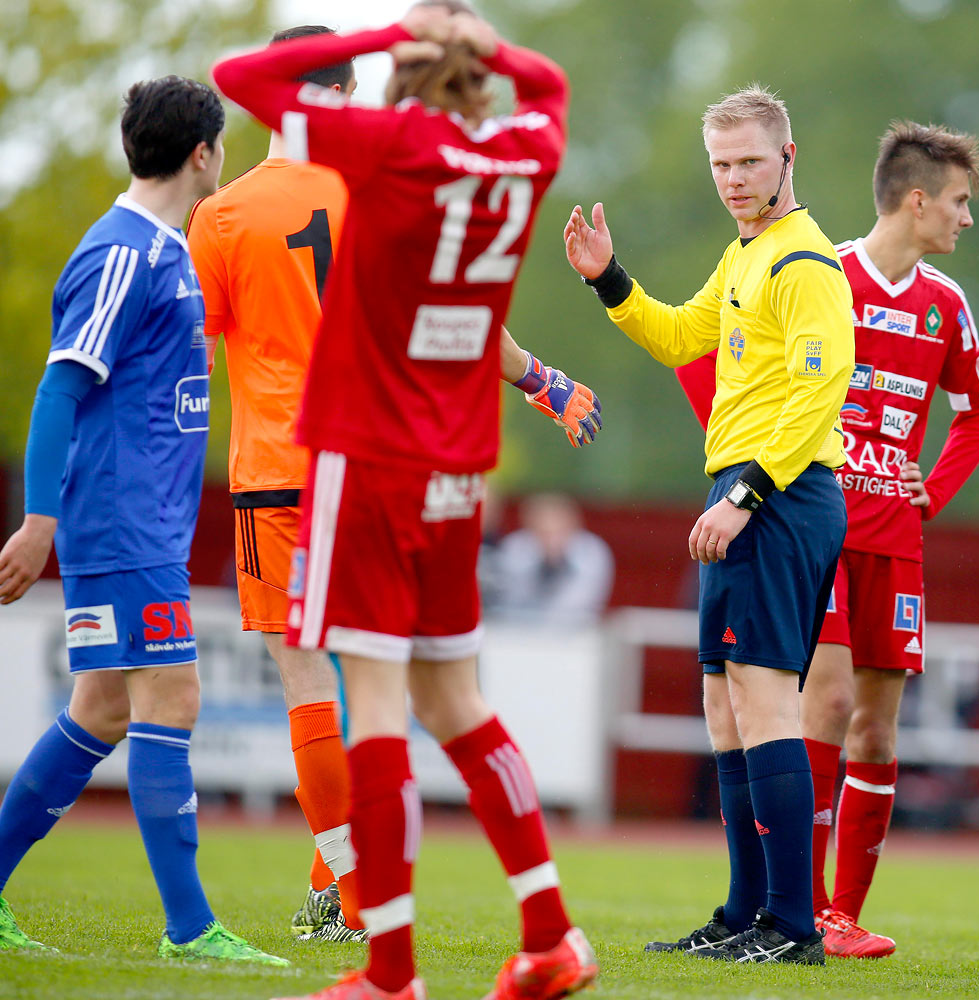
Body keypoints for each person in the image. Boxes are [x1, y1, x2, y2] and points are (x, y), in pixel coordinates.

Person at [212, 4, 601, 999]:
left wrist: (382, 39)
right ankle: (551, 933)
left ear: (405, 74)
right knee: (459, 701)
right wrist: (471, 47)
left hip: (366, 454)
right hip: (460, 465)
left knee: (375, 706)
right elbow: (549, 85)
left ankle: (387, 968)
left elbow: (244, 78)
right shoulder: (521, 153)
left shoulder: (378, 149)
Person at [673, 121, 979, 958]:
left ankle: (840, 913)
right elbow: (704, 359)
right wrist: (745, 462)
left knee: (877, 730)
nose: (968, 219)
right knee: (816, 703)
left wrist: (934, 489)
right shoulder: (821, 268)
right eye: (960, 202)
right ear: (918, 200)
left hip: (895, 534)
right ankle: (798, 906)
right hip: (811, 516)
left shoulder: (948, 306)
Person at [564, 84, 853, 964]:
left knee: (764, 701)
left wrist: (745, 494)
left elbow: (817, 395)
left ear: (787, 159)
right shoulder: (747, 253)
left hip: (779, 495)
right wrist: (608, 278)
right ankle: (744, 912)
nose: (733, 179)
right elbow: (680, 334)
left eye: (749, 163)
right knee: (724, 707)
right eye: (721, 164)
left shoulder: (804, 263)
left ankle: (793, 925)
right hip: (748, 490)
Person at [0, 76, 285, 966]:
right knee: (173, 698)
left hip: (140, 520)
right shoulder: (124, 251)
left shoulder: (169, 247)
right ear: (204, 153)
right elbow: (60, 387)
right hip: (119, 521)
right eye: (224, 145)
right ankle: (191, 928)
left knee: (101, 707)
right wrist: (38, 519)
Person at [188, 23, 367, 944]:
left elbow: (189, 358)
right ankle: (338, 890)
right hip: (375, 472)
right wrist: (543, 381)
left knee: (306, 683)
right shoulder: (381, 193)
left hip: (277, 477)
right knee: (371, 685)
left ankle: (352, 889)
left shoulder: (221, 214)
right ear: (340, 94)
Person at [481, 494, 613, 625]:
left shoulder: (590, 552)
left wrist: (557, 566)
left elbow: (580, 606)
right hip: (520, 634)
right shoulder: (515, 549)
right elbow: (510, 601)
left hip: (574, 636)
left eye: (558, 531)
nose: (551, 540)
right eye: (543, 532)